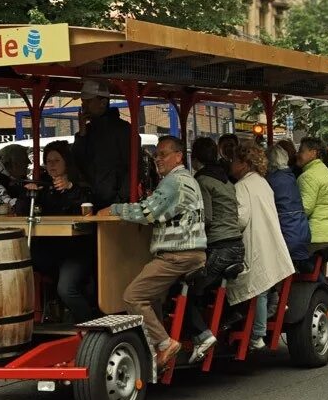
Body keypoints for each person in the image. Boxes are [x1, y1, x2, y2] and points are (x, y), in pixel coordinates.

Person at [97, 136, 206, 369]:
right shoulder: (188, 180)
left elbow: (147, 212)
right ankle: (155, 346)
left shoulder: (172, 182)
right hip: (191, 252)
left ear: (178, 156)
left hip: (178, 254)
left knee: (133, 297)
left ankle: (165, 344)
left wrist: (114, 209)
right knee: (152, 296)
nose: (158, 159)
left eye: (163, 154)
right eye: (156, 155)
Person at [226, 141, 295, 349]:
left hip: (255, 241)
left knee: (257, 287)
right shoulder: (262, 182)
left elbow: (240, 219)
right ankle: (269, 317)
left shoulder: (242, 187)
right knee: (266, 283)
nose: (231, 165)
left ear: (244, 164)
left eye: (234, 161)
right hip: (270, 239)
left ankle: (258, 334)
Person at [18, 140, 95, 322]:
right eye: (48, 161)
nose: (51, 165)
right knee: (18, 270)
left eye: (56, 161)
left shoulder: (81, 187)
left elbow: (87, 208)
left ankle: (91, 324)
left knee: (66, 289)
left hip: (76, 251)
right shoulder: (44, 187)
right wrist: (28, 194)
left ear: (67, 162)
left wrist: (69, 189)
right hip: (49, 251)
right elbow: (22, 210)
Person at [185, 137, 244, 364]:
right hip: (237, 245)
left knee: (187, 289)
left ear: (195, 158)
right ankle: (228, 313)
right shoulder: (226, 180)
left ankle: (202, 333)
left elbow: (206, 217)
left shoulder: (202, 181)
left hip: (220, 247)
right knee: (207, 285)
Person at [72, 80, 132, 209]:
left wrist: (121, 199)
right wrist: (82, 133)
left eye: (88, 102)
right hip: (90, 200)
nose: (84, 107)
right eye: (83, 102)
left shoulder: (122, 129)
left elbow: (132, 166)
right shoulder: (88, 130)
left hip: (114, 202)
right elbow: (77, 161)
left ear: (103, 103)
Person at [296, 137, 328, 252]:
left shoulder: (308, 176)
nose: (297, 154)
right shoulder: (325, 172)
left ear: (313, 153)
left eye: (301, 151)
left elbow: (305, 209)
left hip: (317, 235)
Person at [266, 144, 311, 263]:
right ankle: (322, 281)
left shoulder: (271, 180)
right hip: (302, 232)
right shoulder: (291, 176)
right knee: (303, 264)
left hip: (287, 235)